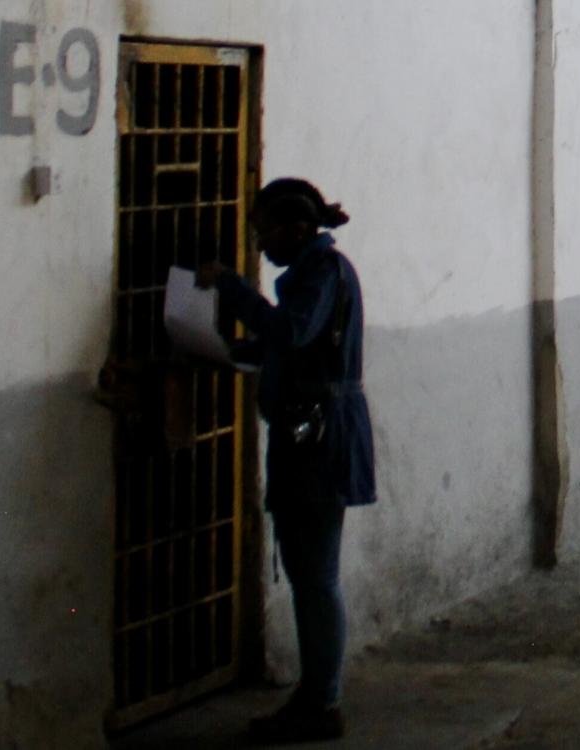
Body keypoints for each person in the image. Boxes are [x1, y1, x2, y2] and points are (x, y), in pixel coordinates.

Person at [197, 178, 374, 743]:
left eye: (266, 232)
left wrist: (234, 290)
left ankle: (321, 701)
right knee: (309, 575)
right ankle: (316, 695)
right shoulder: (315, 274)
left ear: (298, 229)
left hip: (320, 439)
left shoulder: (322, 275)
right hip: (314, 434)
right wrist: (227, 352)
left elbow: (292, 332)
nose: (262, 245)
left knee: (316, 577)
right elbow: (286, 344)